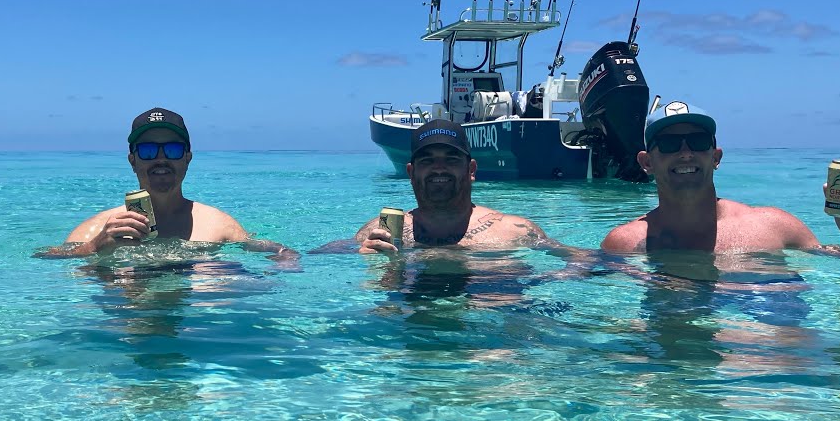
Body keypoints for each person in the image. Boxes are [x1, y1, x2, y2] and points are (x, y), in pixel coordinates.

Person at [600, 101, 840, 257]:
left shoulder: (775, 225)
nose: (686, 153)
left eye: (698, 142)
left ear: (716, 157)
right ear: (647, 162)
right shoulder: (624, 244)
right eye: (669, 144)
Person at [44, 107, 295, 259]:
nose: (161, 159)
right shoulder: (100, 228)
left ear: (187, 158)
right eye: (148, 150)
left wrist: (285, 259)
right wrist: (95, 246)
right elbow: (47, 259)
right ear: (133, 161)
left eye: (173, 149)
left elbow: (277, 251)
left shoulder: (218, 224)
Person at [354, 119, 557, 254]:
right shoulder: (380, 232)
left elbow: (573, 259)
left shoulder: (515, 231)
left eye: (451, 159)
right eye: (427, 161)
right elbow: (336, 260)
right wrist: (362, 254)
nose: (439, 168)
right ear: (411, 173)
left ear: (471, 170)